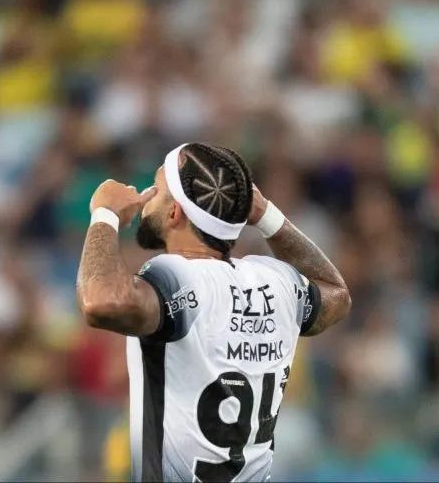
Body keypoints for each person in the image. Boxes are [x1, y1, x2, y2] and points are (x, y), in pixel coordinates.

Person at [76, 141, 351, 482]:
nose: (146, 195)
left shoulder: (177, 277)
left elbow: (100, 301)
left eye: (157, 188)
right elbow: (336, 292)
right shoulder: (275, 281)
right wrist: (268, 217)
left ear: (175, 212)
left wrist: (104, 215)